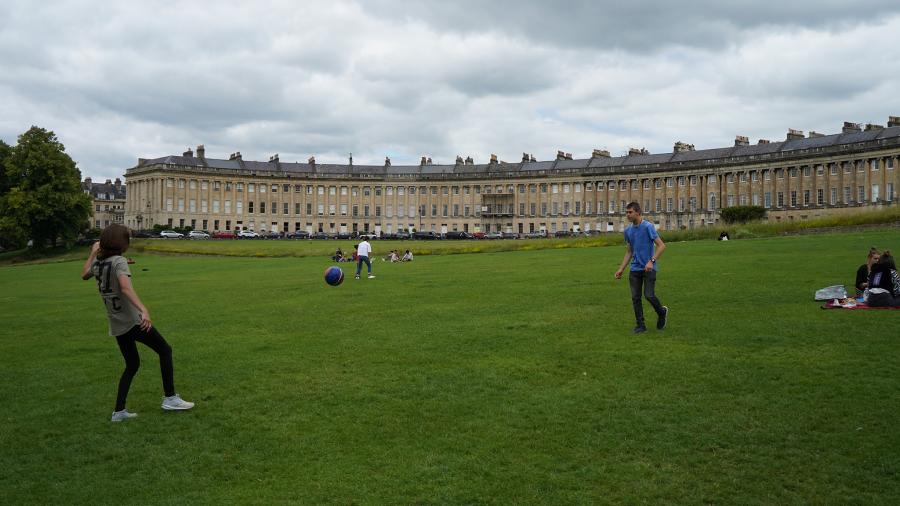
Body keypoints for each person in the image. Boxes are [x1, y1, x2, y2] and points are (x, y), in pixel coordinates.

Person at [81, 224, 194, 422]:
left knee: (132, 365)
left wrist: (92, 253)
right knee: (165, 350)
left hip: (116, 323)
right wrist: (143, 310)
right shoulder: (119, 261)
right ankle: (170, 398)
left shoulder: (99, 264)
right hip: (132, 322)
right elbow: (125, 288)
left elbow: (84, 274)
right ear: (121, 243)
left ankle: (119, 412)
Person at [615, 202, 668, 333]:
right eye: (626, 212)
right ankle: (640, 325)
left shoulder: (648, 227)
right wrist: (621, 269)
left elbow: (661, 246)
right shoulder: (628, 231)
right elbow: (629, 251)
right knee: (635, 298)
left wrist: (651, 261)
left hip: (649, 268)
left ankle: (661, 312)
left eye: (630, 212)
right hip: (635, 269)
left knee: (649, 295)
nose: (627, 215)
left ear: (638, 212)